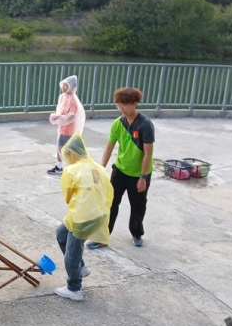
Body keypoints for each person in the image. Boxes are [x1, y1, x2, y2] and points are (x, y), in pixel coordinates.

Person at [88, 87, 154, 249]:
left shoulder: (145, 125)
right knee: (110, 202)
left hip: (139, 174)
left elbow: (148, 154)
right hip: (120, 170)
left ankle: (137, 234)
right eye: (119, 105)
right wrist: (101, 169)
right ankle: (103, 237)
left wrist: (143, 177)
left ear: (135, 104)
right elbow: (109, 147)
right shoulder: (118, 123)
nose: (121, 108)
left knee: (138, 206)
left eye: (125, 105)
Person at [54, 133, 112, 302]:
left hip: (83, 218)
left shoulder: (71, 171)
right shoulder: (96, 167)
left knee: (71, 253)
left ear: (72, 153)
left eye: (67, 155)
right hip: (97, 214)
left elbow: (68, 199)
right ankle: (81, 267)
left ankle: (74, 288)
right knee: (61, 234)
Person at [47, 75, 86, 175]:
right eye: (63, 85)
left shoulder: (73, 100)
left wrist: (59, 118)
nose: (63, 87)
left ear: (71, 87)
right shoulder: (62, 97)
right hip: (62, 127)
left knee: (64, 148)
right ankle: (60, 166)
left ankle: (70, 167)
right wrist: (57, 118)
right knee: (60, 147)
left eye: (66, 85)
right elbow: (60, 110)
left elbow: (72, 116)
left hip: (69, 129)